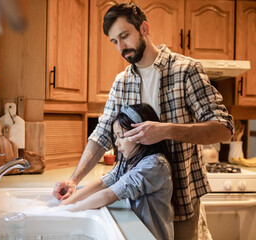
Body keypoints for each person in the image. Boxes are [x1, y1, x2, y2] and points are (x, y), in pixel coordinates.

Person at [53, 3, 234, 239]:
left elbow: (224, 129)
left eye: (124, 36)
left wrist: (166, 130)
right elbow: (102, 134)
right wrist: (74, 180)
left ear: (144, 28)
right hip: (138, 206)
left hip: (182, 202)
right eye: (114, 41)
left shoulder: (186, 70)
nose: (121, 47)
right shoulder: (121, 82)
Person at [61, 103, 174, 240]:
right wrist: (64, 205)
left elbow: (108, 195)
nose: (117, 143)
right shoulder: (131, 162)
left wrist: (68, 211)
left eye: (121, 136)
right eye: (116, 137)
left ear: (141, 135)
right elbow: (102, 184)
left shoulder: (155, 164)